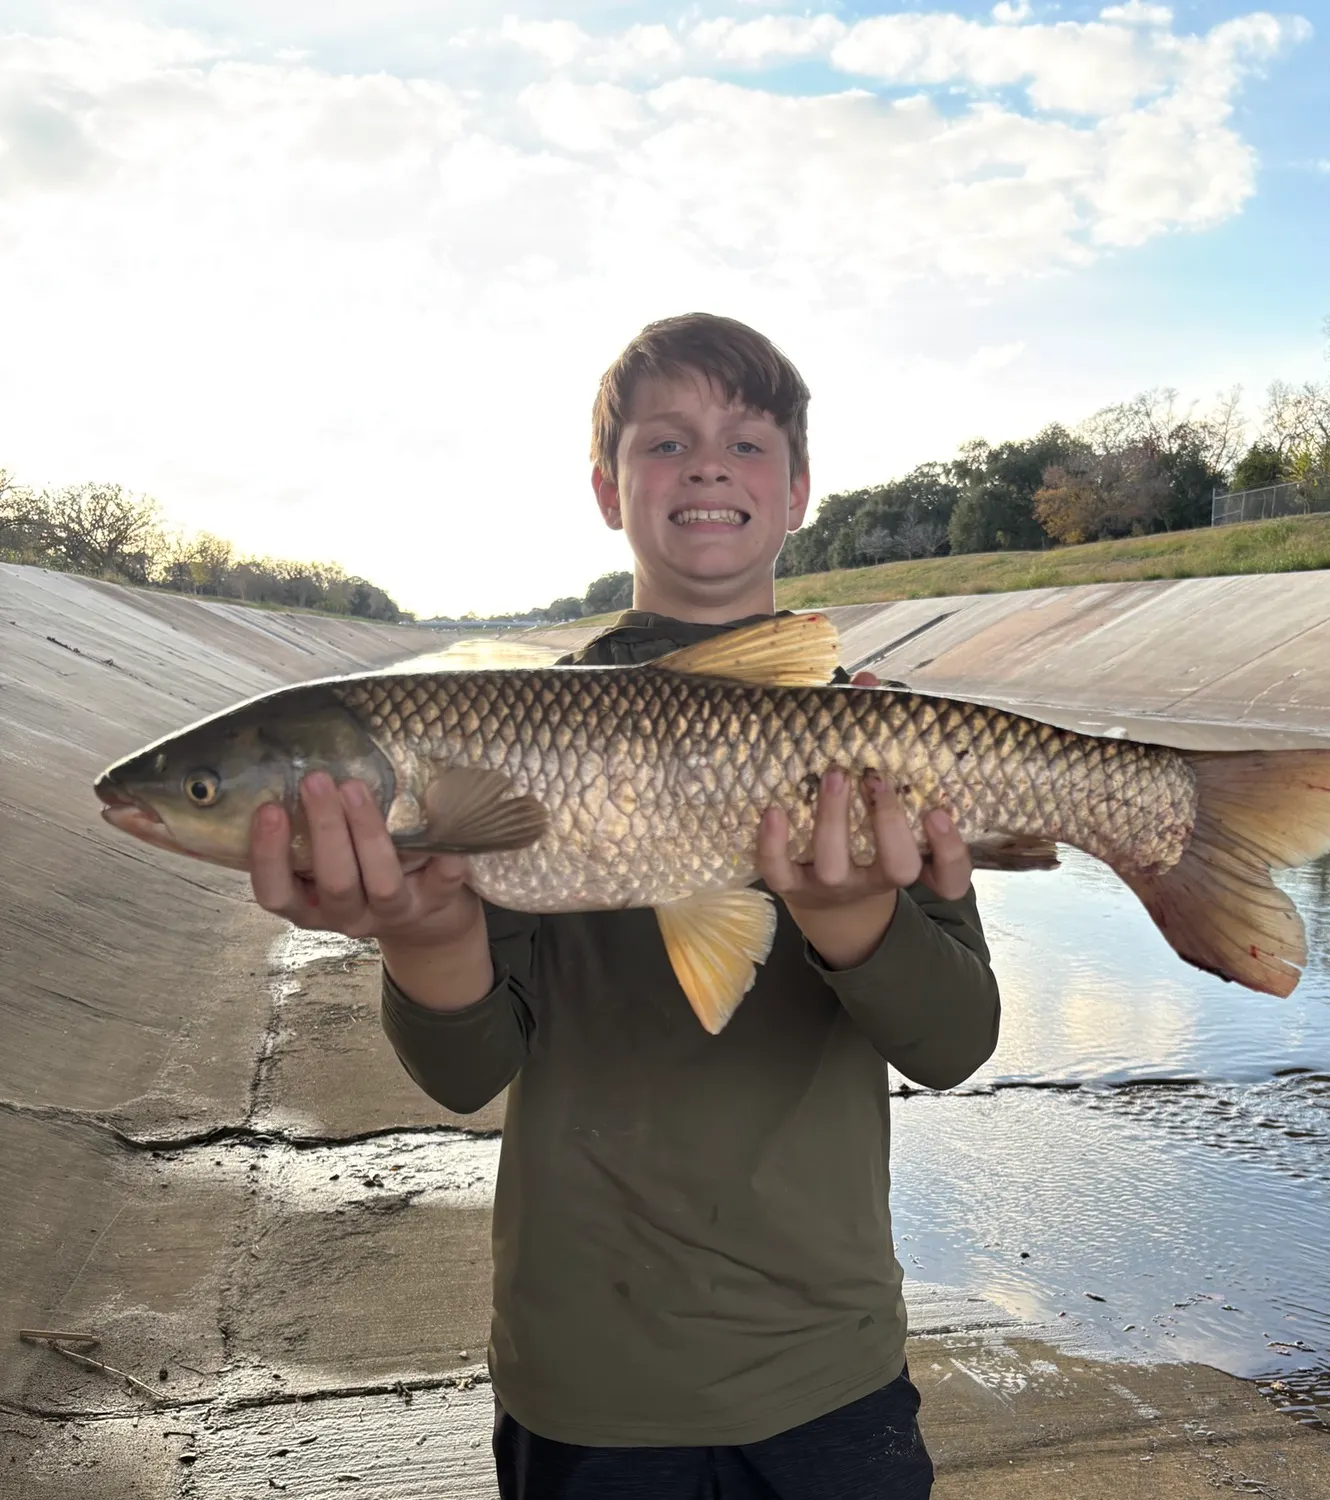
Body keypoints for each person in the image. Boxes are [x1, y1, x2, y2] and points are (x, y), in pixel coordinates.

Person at [247, 312, 1001, 1498]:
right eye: (665, 443)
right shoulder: (509, 745)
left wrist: (856, 919)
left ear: (799, 492)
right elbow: (464, 1071)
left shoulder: (875, 738)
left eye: (748, 443)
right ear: (608, 490)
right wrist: (427, 928)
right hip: (585, 1378)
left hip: (832, 1371)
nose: (707, 465)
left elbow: (956, 1044)